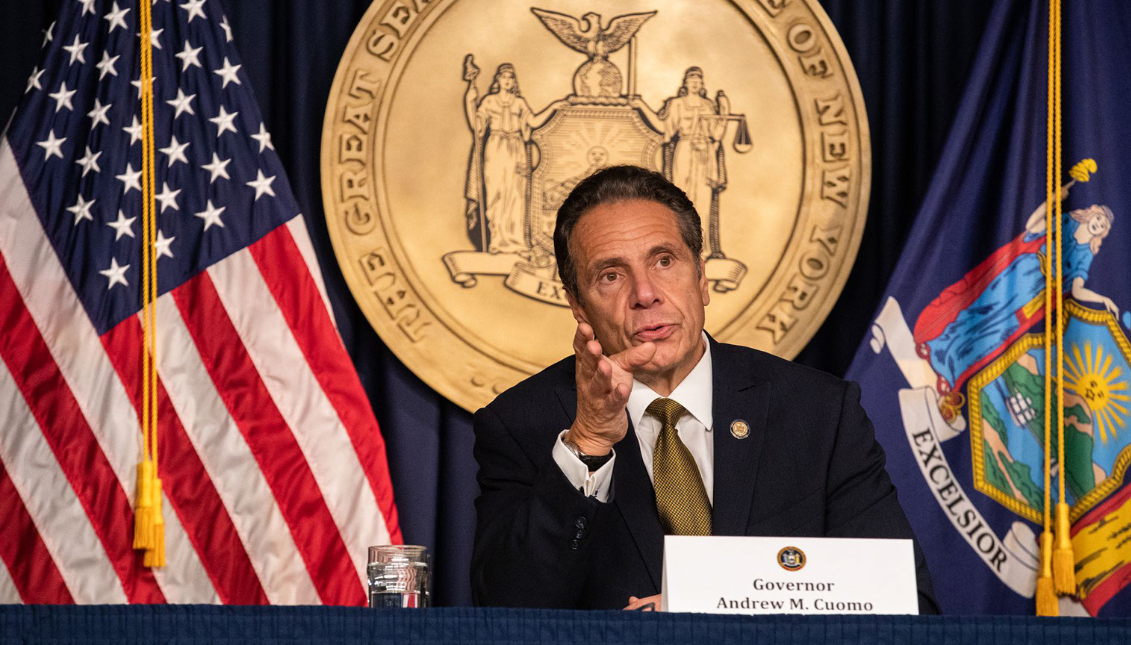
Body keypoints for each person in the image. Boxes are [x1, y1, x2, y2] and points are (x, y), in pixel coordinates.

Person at [471, 165, 939, 612]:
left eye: (664, 261)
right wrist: (589, 442)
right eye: (611, 275)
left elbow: (904, 602)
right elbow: (507, 611)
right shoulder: (523, 425)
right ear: (577, 304)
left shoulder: (819, 412)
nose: (645, 293)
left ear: (702, 276)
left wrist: (704, 606)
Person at [464, 62, 566, 254]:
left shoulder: (519, 103)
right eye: (504, 77)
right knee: (496, 195)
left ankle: (516, 241)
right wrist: (470, 100)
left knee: (517, 196)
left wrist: (553, 106)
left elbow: (533, 121)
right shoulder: (488, 101)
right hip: (495, 149)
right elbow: (477, 127)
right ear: (498, 80)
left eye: (511, 78)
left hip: (516, 150)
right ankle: (497, 241)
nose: (507, 81)